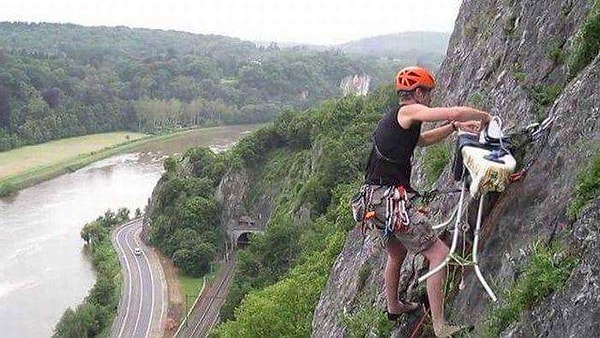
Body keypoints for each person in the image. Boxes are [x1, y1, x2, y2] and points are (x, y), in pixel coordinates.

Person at [363, 66, 491, 337]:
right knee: (439, 254)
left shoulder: (401, 121)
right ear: (418, 93)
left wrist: (453, 128)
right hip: (388, 200)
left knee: (396, 252)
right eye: (428, 93)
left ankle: (394, 306)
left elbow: (420, 141)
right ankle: (441, 326)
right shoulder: (408, 111)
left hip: (374, 199)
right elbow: (453, 110)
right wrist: (485, 117)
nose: (431, 98)